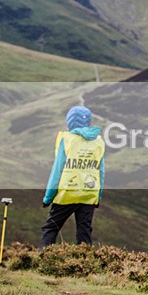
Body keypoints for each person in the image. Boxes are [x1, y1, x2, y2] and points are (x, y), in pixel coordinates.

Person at [39, 105, 105, 249]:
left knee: (50, 228)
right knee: (84, 232)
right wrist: (97, 197)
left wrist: (48, 197)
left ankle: (41, 262)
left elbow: (57, 170)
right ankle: (86, 264)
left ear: (70, 121)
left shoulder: (67, 139)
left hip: (67, 193)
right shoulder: (98, 142)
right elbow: (101, 172)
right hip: (88, 194)